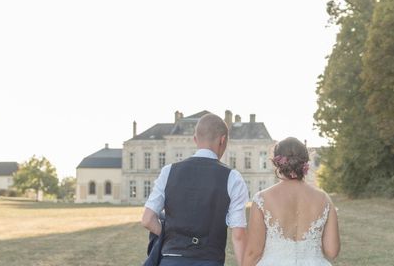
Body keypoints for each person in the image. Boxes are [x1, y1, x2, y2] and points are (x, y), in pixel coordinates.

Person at [141, 113, 248, 265]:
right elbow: (238, 235)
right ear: (223, 140)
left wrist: (171, 237)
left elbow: (147, 220)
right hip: (209, 260)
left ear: (195, 139)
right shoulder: (233, 178)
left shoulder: (168, 171)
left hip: (171, 260)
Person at [242, 137, 340, 266]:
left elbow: (254, 252)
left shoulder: (262, 199)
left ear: (277, 162)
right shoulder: (324, 199)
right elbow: (332, 251)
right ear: (305, 162)